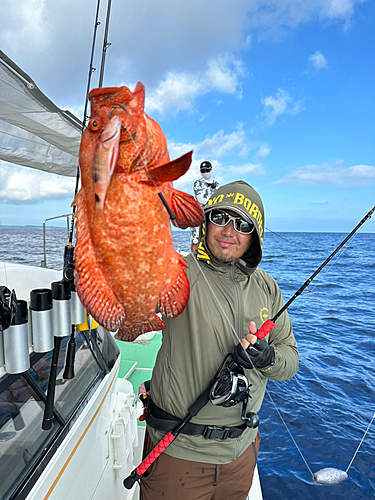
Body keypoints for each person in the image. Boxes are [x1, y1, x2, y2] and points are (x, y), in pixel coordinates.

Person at [140, 180, 299, 500]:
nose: (229, 230)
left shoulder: (268, 287)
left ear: (256, 235)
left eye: (242, 223)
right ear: (205, 221)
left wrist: (267, 358)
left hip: (241, 458)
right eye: (220, 217)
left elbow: (290, 361)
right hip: (178, 453)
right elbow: (132, 287)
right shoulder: (177, 271)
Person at [190, 161, 219, 253]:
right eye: (203, 171)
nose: (206, 173)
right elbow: (199, 198)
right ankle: (194, 261)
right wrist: (213, 203)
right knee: (195, 240)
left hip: (212, 216)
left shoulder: (217, 185)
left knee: (210, 239)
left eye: (207, 170)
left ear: (211, 170)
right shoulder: (198, 183)